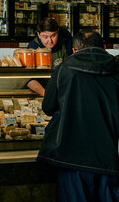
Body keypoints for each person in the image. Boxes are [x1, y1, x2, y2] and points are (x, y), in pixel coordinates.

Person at [37, 30, 119, 202]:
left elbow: (48, 107)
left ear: (74, 50)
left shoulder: (63, 70)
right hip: (110, 158)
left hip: (73, 158)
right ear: (104, 47)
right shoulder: (116, 70)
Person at [27, 17, 73, 96]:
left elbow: (73, 63)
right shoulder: (32, 47)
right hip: (43, 90)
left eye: (53, 36)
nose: (50, 41)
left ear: (58, 32)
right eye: (45, 37)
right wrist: (47, 95)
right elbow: (29, 79)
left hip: (65, 88)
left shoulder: (65, 38)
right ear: (39, 34)